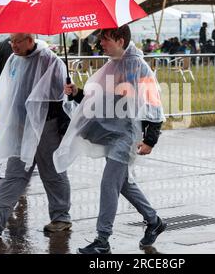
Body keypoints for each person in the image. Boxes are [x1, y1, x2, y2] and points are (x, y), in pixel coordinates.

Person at [54, 24, 166, 254]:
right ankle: (154, 221)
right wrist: (76, 93)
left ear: (120, 40)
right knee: (121, 184)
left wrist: (150, 140)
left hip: (126, 136)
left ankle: (102, 241)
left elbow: (154, 103)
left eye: (105, 39)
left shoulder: (137, 66)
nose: (100, 44)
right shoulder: (113, 65)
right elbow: (97, 97)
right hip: (113, 134)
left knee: (109, 184)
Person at [0, 33, 72, 236]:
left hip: (47, 126)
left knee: (52, 172)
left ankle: (61, 217)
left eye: (17, 41)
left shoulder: (50, 60)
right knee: (14, 174)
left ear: (30, 40)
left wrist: (62, 123)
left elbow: (61, 96)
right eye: (11, 41)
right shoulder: (14, 59)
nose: (13, 45)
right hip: (22, 125)